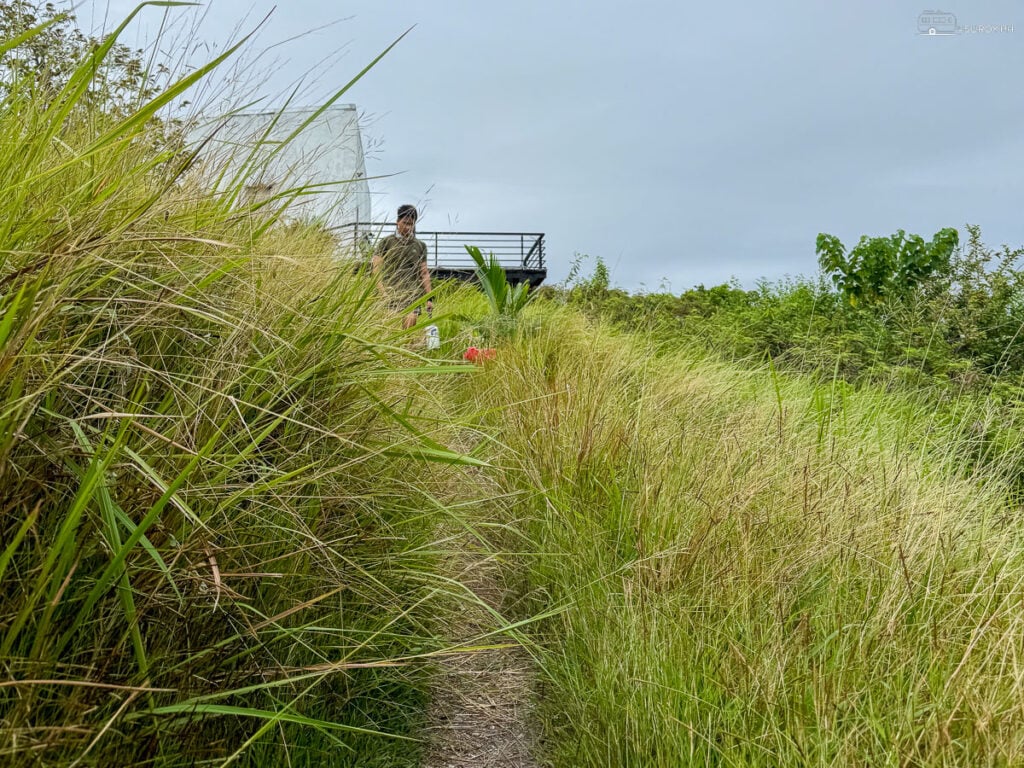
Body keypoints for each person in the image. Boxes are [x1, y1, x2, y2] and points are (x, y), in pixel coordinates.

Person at [371, 204, 433, 329]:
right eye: (404, 223)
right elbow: (376, 269)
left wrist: (429, 298)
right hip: (391, 292)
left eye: (411, 224)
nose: (407, 227)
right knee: (390, 330)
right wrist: (382, 292)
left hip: (412, 294)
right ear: (397, 222)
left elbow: (424, 273)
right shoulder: (386, 242)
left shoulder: (420, 246)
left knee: (408, 329)